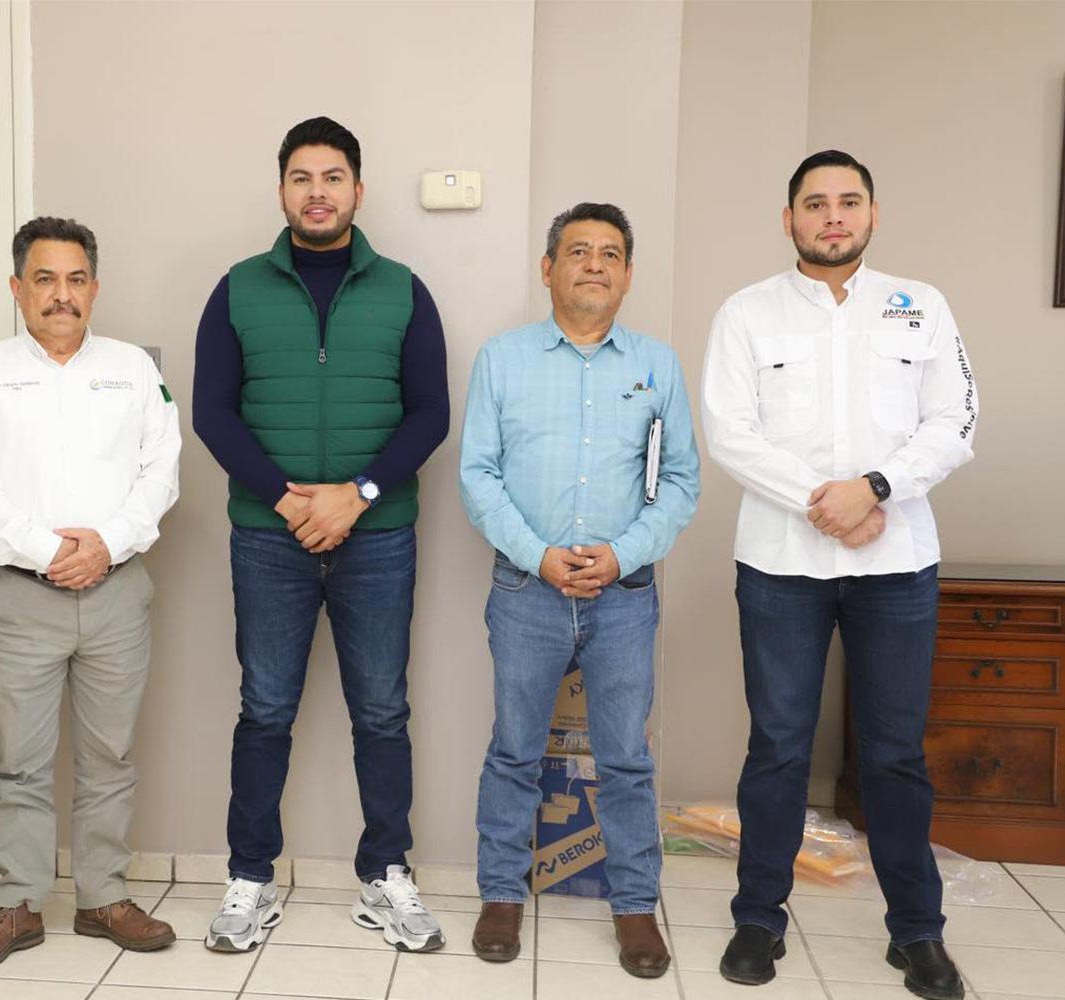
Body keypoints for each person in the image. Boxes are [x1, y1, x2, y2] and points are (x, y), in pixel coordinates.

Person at [702, 150, 978, 1000]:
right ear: (787, 218)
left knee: (894, 755)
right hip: (781, 563)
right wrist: (829, 503)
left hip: (896, 563)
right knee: (778, 747)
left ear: (872, 214)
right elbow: (730, 431)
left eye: (848, 202)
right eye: (814, 203)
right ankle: (759, 918)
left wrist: (877, 489)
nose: (832, 216)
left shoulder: (920, 306)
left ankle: (917, 933)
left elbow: (957, 420)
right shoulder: (747, 312)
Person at [192, 116, 450, 953]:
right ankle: (250, 878)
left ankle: (386, 875)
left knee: (382, 711)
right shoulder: (237, 289)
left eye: (332, 177)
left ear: (357, 191)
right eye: (301, 177)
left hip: (379, 537)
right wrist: (290, 501)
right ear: (282, 191)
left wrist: (358, 496)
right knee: (266, 708)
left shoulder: (404, 290)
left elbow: (430, 414)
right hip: (270, 538)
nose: (317, 192)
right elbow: (212, 414)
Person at [460, 203, 700, 974]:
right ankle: (502, 893)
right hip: (526, 592)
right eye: (577, 251)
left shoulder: (658, 365)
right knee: (514, 750)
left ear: (627, 275)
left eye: (610, 254)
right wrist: (538, 557)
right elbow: (478, 475)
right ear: (548, 268)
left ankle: (634, 906)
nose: (594, 264)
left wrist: (622, 554)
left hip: (623, 597)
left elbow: (680, 481)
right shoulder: (502, 359)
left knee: (625, 756)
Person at [0, 217, 181, 967]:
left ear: (95, 289)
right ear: (17, 289)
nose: (61, 295)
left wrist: (105, 545)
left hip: (117, 591)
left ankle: (104, 897)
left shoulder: (132, 370)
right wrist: (50, 553)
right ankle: (17, 904)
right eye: (44, 279)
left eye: (76, 280)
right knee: (20, 761)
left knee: (110, 756)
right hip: (19, 597)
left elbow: (161, 471)